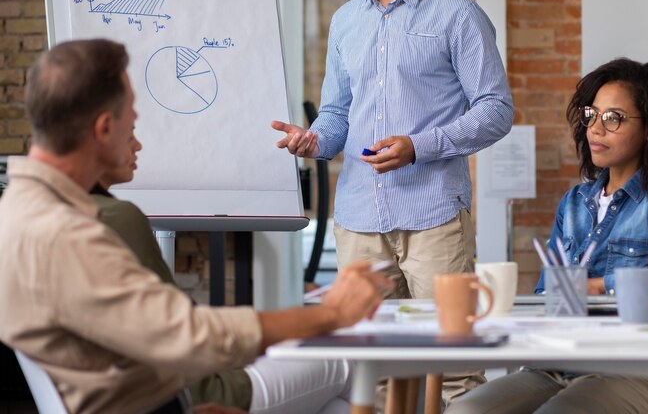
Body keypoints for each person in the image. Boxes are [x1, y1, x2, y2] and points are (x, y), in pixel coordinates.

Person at [0, 39, 392, 414]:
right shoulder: (68, 232)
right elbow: (191, 336)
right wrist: (333, 314)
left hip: (157, 399)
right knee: (353, 367)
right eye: (132, 119)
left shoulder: (19, 207)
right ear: (103, 128)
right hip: (164, 401)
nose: (137, 131)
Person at [270, 0, 513, 401]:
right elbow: (337, 114)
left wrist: (419, 145)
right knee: (376, 371)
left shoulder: (458, 15)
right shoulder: (345, 22)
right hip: (358, 221)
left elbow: (496, 111)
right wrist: (313, 142)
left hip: (434, 221)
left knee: (455, 370)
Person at [447, 58, 648, 414]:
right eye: (592, 115)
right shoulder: (574, 203)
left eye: (614, 118)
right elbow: (547, 293)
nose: (595, 128)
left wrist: (599, 286)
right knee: (467, 410)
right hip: (557, 366)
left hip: (633, 370)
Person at [91, 132, 354, 414]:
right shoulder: (117, 218)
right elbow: (190, 331)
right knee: (346, 361)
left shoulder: (64, 212)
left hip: (150, 388)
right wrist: (324, 316)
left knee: (335, 406)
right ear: (103, 131)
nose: (139, 145)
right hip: (199, 392)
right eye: (130, 133)